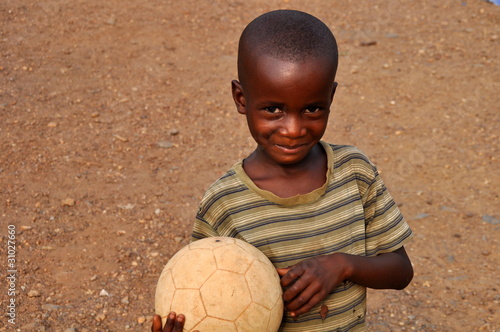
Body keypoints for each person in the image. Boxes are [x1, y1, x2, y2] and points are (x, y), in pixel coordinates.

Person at [153, 9, 413, 332]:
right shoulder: (225, 203)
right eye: (273, 109)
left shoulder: (355, 175)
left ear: (331, 97)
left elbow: (401, 270)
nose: (293, 129)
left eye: (312, 108)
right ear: (241, 98)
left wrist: (342, 265)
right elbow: (205, 295)